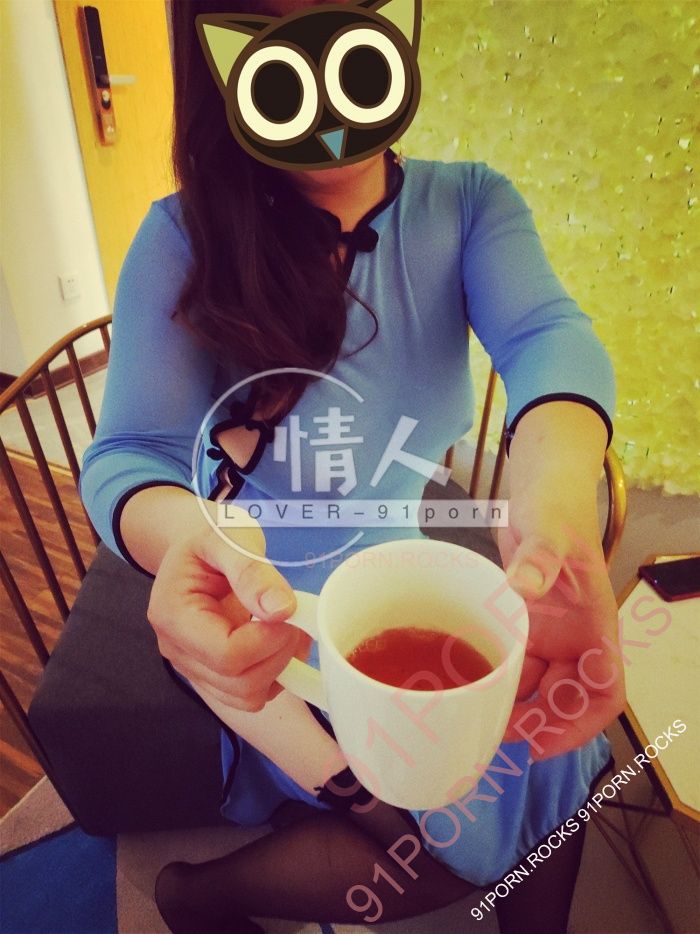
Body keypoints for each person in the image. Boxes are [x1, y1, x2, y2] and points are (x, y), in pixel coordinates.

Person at [79, 1, 625, 931]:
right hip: (264, 614)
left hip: (401, 569)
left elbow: (546, 336)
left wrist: (558, 497)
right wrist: (187, 543)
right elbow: (133, 451)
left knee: (545, 774)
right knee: (427, 853)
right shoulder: (181, 239)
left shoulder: (468, 203)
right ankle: (195, 895)